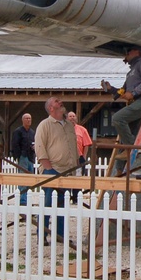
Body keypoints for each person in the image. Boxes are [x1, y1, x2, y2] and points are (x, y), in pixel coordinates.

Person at [35, 97, 79, 244]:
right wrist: (49, 168)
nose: (60, 102)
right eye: (56, 101)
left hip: (68, 170)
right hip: (52, 170)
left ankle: (60, 236)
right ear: (51, 108)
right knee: (47, 204)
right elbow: (40, 148)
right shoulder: (45, 125)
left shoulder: (68, 125)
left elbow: (73, 146)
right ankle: (42, 236)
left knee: (63, 205)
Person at [107, 45, 141, 150]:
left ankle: (131, 149)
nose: (127, 53)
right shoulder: (130, 72)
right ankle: (122, 164)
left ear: (137, 52)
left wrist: (134, 93)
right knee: (125, 134)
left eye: (129, 51)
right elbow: (123, 91)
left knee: (118, 118)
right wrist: (110, 89)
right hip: (137, 102)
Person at [66, 111, 92, 203]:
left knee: (77, 177)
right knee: (67, 177)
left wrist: (83, 157)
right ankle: (66, 198)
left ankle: (76, 199)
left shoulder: (82, 130)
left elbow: (87, 144)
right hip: (66, 158)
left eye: (73, 116)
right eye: (70, 116)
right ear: (66, 118)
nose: (72, 118)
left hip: (79, 157)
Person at [10, 113, 36, 206]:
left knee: (30, 179)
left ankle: (27, 198)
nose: (28, 120)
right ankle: (22, 200)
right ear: (23, 120)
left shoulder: (32, 132)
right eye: (26, 118)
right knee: (23, 178)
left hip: (30, 157)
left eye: (30, 118)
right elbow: (15, 144)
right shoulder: (18, 131)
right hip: (23, 156)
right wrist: (18, 156)